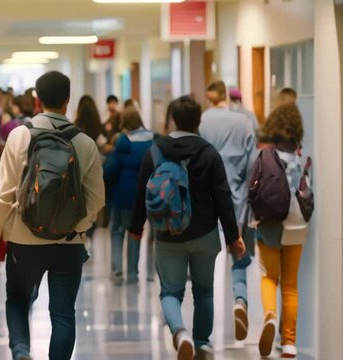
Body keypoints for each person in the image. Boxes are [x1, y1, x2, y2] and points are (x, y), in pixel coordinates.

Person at [0, 71, 104, 360]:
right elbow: (97, 198)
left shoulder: (19, 136)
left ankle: (22, 352)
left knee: (18, 299)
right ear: (67, 99)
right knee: (63, 313)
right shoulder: (85, 142)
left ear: (37, 100)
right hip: (69, 243)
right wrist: (78, 226)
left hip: (24, 239)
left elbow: (2, 194)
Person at [129, 95, 246, 359]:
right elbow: (223, 196)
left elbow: (141, 193)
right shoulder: (208, 152)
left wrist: (136, 228)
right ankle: (201, 342)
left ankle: (180, 333)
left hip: (167, 234)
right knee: (204, 291)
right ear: (198, 121)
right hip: (204, 235)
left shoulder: (155, 151)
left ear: (173, 119)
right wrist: (232, 236)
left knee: (170, 291)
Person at [199, 81, 256, 342]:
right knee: (239, 252)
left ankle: (205, 330)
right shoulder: (244, 123)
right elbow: (253, 165)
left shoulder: (202, 122)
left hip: (208, 199)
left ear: (211, 97)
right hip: (237, 198)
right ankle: (240, 301)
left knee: (206, 259)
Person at [255, 103, 309, 359]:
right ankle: (289, 343)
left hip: (270, 223)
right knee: (290, 286)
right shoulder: (301, 156)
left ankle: (270, 317)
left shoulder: (265, 156)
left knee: (269, 277)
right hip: (297, 223)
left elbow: (252, 189)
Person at [104, 107, 154, 285]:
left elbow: (112, 168)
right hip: (149, 193)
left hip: (125, 194)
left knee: (117, 231)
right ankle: (136, 273)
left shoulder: (124, 141)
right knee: (138, 231)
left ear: (124, 123)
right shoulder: (152, 139)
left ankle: (118, 271)